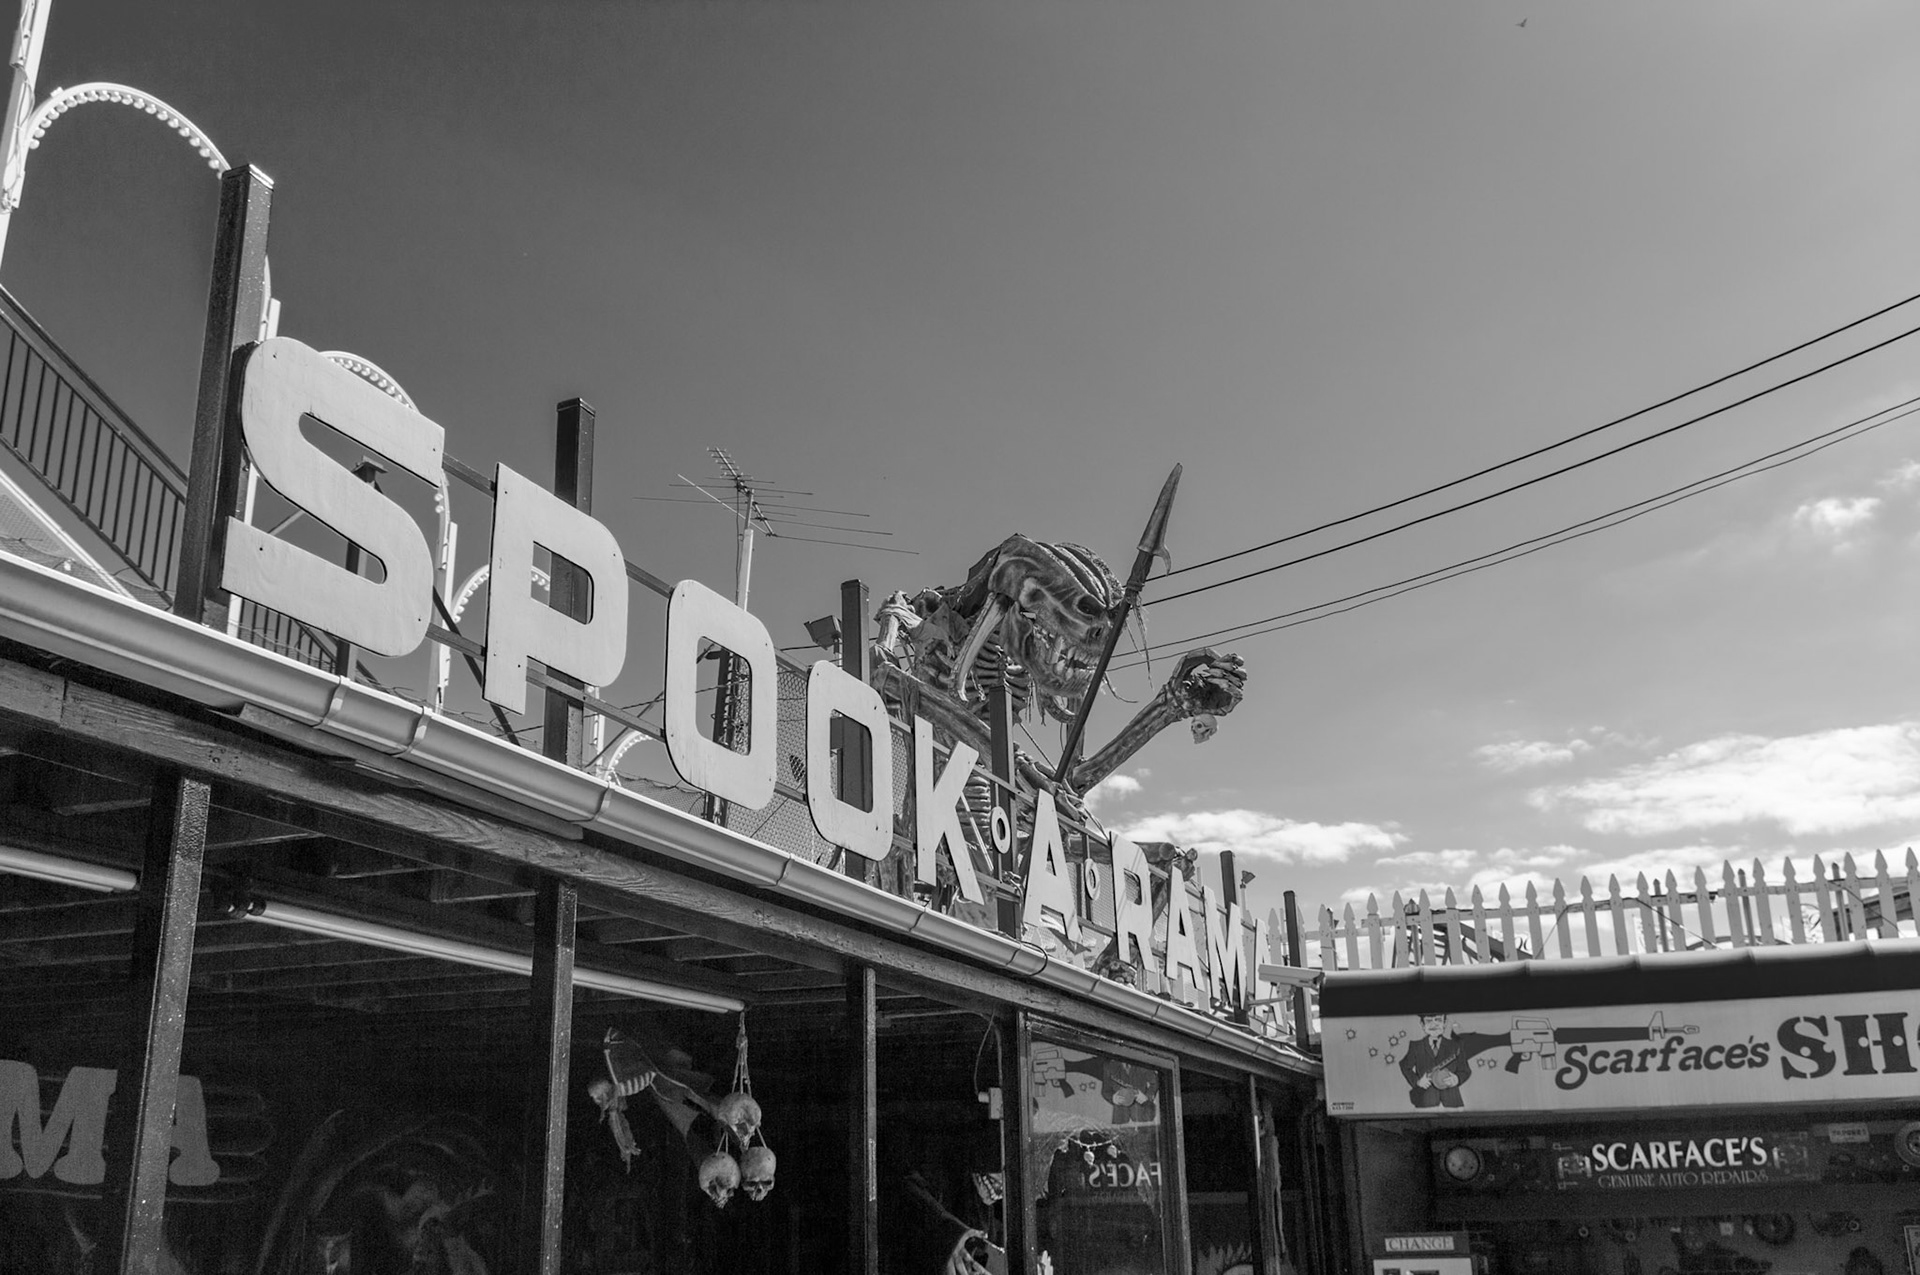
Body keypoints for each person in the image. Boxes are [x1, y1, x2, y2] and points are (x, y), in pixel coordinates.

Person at [1398, 1013, 1507, 1108]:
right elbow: (1404, 1066)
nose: (1434, 1024)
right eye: (1429, 1021)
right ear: (1422, 1025)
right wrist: (1417, 1082)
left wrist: (1457, 1079)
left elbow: (1465, 1070)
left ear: (1445, 1023)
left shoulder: (1456, 1046)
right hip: (1425, 1103)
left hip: (1452, 1103)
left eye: (1438, 1020)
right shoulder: (1416, 1046)